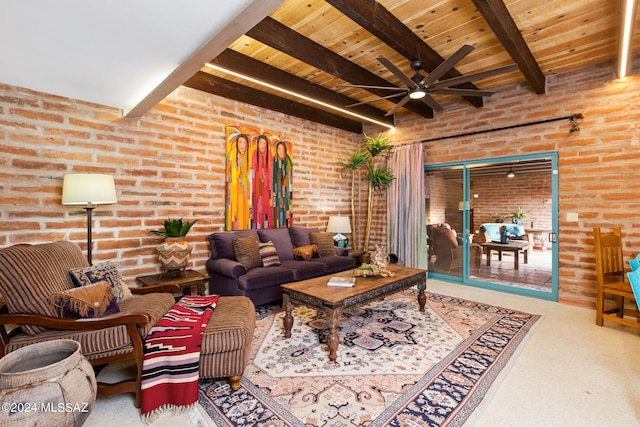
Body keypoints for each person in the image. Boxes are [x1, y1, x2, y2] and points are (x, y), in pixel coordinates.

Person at [226, 132, 252, 230]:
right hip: (234, 191)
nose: (242, 145)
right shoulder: (232, 155)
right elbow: (230, 175)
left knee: (244, 216)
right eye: (240, 142)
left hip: (244, 191)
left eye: (244, 143)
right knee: (235, 216)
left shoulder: (247, 158)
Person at [252, 134, 273, 229]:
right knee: (257, 205)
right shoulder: (254, 153)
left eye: (264, 143)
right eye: (261, 143)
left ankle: (265, 226)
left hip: (266, 186)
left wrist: (267, 181)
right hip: (257, 185)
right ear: (258, 144)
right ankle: (257, 226)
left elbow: (271, 170)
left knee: (265, 206)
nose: (262, 145)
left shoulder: (269, 155)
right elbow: (252, 168)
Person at [272, 140, 293, 228]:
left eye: (282, 148)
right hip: (277, 193)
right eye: (279, 148)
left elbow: (289, 180)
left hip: (286, 193)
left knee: (286, 212)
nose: (280, 151)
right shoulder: (275, 161)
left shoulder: (288, 162)